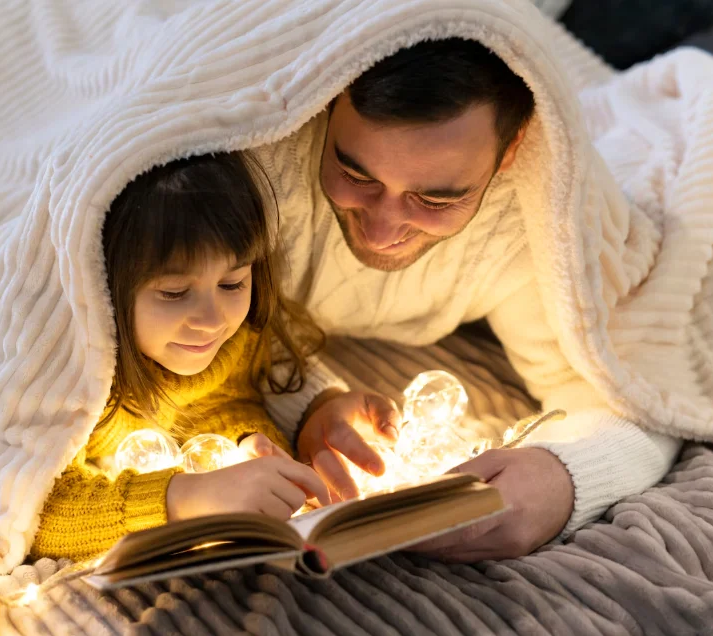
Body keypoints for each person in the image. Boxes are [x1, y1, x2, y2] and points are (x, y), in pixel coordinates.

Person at [255, 38, 682, 561]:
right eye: (355, 174)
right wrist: (311, 400)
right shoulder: (261, 162)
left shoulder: (533, 223)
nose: (382, 229)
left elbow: (639, 393)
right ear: (328, 101)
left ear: (510, 152)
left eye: (435, 197)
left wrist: (562, 477)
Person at [29, 153, 333, 561]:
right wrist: (187, 498)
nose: (212, 321)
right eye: (173, 292)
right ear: (101, 285)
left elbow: (222, 397)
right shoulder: (57, 363)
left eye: (232, 283)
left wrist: (244, 442)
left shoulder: (235, 336)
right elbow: (37, 511)